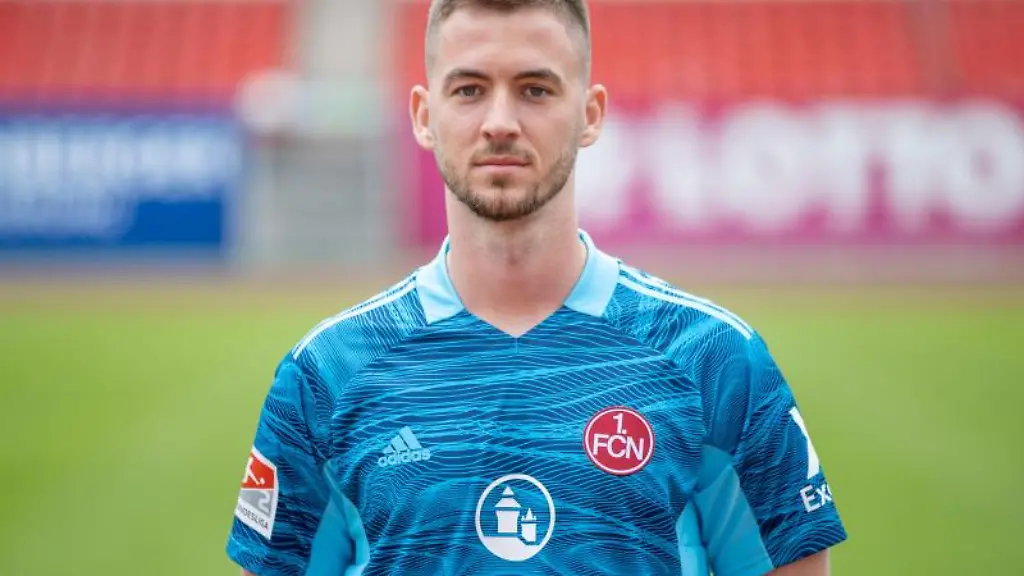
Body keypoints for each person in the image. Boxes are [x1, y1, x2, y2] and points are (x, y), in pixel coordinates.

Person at [226, 0, 847, 574]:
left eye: (535, 89)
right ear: (424, 116)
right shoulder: (327, 374)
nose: (500, 122)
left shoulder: (713, 359)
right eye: (469, 90)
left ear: (589, 115)